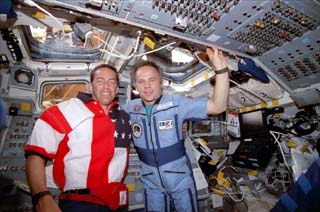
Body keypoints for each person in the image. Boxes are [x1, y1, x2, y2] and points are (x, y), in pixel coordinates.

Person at [122, 46, 229, 212]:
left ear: (161, 82)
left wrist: (221, 70)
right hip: (151, 184)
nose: (147, 86)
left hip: (179, 180)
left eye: (151, 80)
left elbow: (218, 106)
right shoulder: (130, 108)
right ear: (135, 85)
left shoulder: (177, 103)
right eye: (141, 82)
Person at [24, 64, 132, 212]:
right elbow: (35, 156)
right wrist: (42, 198)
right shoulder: (64, 111)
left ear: (117, 88)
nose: (106, 86)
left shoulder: (125, 117)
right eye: (100, 81)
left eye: (112, 82)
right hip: (81, 203)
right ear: (90, 87)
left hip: (118, 203)